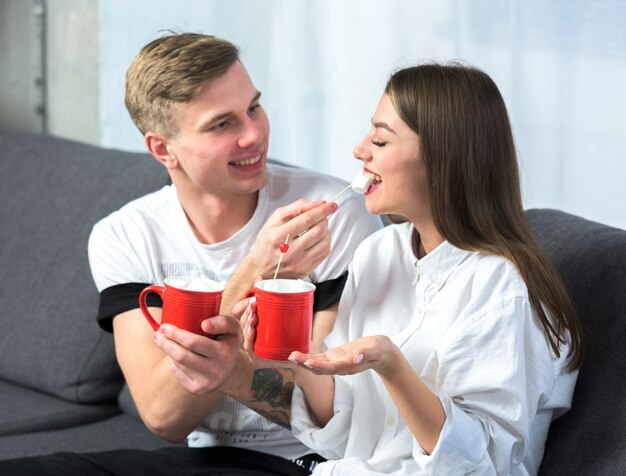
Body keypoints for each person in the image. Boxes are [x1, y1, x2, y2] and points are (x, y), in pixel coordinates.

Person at [0, 32, 380, 475]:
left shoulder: (329, 216)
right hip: (199, 458)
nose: (254, 134)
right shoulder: (124, 236)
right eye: (223, 124)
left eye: (253, 108)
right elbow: (164, 417)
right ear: (163, 149)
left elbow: (335, 414)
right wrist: (253, 272)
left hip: (311, 460)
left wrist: (228, 371)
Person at [239, 62, 584, 475]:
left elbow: (484, 466)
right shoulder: (377, 253)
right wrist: (299, 357)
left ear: (442, 158)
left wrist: (391, 364)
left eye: (381, 141)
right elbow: (349, 427)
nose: (359, 150)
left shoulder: (500, 287)